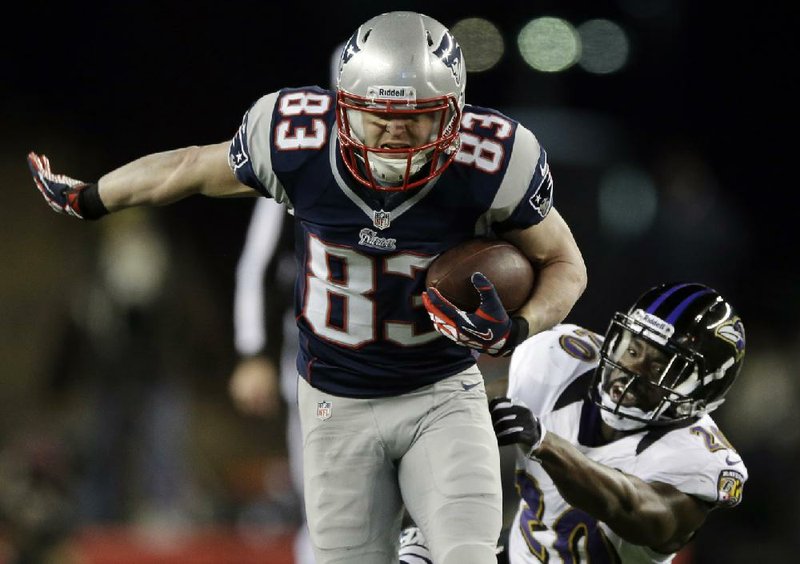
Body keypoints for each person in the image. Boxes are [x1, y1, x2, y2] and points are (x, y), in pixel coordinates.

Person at [27, 11, 587, 563]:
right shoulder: (296, 140)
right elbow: (190, 168)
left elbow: (566, 264)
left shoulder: (495, 160)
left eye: (417, 117)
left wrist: (520, 325)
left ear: (456, 112)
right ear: (342, 109)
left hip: (439, 393)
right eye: (377, 116)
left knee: (468, 555)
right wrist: (93, 196)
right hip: (335, 401)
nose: (395, 133)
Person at [486, 281, 748, 563]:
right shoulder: (564, 363)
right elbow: (469, 404)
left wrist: (545, 443)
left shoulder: (698, 459)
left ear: (702, 390)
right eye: (633, 351)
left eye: (661, 368)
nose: (632, 371)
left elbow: (630, 508)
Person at [228, 196, 314, 563]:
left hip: (409, 374)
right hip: (317, 378)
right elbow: (257, 266)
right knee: (324, 507)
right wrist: (253, 351)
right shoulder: (299, 161)